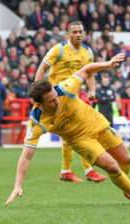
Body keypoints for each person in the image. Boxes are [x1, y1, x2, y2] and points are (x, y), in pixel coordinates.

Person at [5, 53, 130, 206]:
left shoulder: (65, 88)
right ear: (39, 104)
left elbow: (87, 69)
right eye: (51, 101)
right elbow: (26, 156)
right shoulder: (37, 122)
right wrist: (18, 185)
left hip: (97, 123)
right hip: (80, 140)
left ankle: (126, 187)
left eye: (55, 96)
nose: (56, 101)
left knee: (126, 160)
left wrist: (108, 64)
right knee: (112, 166)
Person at [35, 20, 106, 183]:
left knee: (73, 134)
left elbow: (90, 73)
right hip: (57, 99)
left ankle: (68, 170)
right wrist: (38, 93)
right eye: (74, 32)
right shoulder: (58, 49)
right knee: (78, 132)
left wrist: (92, 90)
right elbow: (42, 68)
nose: (78, 34)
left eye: (80, 31)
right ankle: (85, 170)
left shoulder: (88, 52)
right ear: (68, 34)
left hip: (74, 98)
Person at [0, 73, 6, 147]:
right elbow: (4, 96)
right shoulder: (0, 85)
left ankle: (0, 142)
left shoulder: (0, 85)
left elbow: (4, 96)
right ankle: (0, 142)